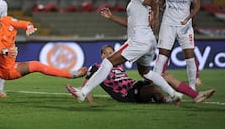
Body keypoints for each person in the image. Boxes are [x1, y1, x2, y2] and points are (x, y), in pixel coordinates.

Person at [66, 0, 183, 105]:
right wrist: (111, 17)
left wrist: (156, 17)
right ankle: (174, 94)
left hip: (139, 40)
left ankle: (83, 92)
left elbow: (153, 3)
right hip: (149, 41)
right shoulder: (137, 3)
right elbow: (130, 23)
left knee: (107, 62)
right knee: (145, 72)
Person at [0, 10, 87, 97]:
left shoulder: (7, 20)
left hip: (1, 66)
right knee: (36, 65)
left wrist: (29, 27)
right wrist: (7, 51)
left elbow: (24, 23)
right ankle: (72, 75)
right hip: (8, 70)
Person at [84, 45, 215, 104]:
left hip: (136, 85)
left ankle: (196, 95)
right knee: (156, 89)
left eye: (111, 52)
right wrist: (91, 101)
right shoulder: (96, 67)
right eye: (106, 53)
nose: (109, 55)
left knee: (166, 77)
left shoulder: (119, 64)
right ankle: (163, 99)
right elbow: (86, 84)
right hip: (127, 94)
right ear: (101, 55)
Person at [154, 0, 202, 90]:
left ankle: (192, 87)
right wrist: (161, 11)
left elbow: (197, 5)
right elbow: (160, 2)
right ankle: (156, 86)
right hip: (168, 24)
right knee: (162, 55)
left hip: (185, 26)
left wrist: (189, 18)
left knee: (189, 56)